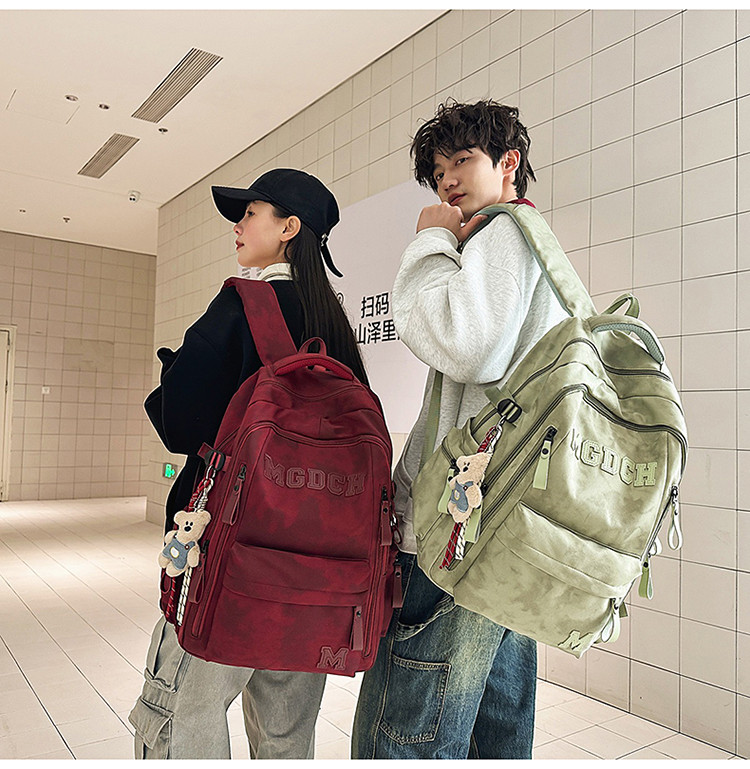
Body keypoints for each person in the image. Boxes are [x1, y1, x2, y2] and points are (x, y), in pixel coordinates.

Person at [351, 99, 568, 759]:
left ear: (509, 163)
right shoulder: (532, 246)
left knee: (404, 727)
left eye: (463, 161)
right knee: (495, 723)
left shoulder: (503, 233)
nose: (448, 180)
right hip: (505, 526)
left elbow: (466, 345)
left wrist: (429, 243)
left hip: (459, 529)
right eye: (439, 170)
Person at [129, 168, 368, 760]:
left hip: (227, 559)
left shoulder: (242, 305)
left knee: (183, 715)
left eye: (250, 212)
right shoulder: (336, 327)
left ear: (288, 228)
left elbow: (179, 422)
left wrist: (174, 370)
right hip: (315, 569)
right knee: (285, 738)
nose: (237, 225)